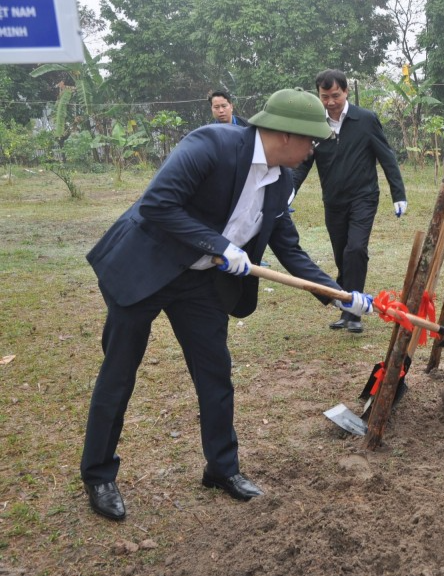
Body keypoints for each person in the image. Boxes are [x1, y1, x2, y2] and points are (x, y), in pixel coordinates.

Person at [80, 88, 375, 522]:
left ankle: (221, 469)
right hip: (146, 267)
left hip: (200, 284)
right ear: (285, 135)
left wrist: (342, 295)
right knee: (119, 373)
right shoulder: (211, 145)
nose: (313, 150)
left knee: (215, 376)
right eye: (311, 141)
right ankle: (98, 474)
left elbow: (289, 252)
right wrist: (219, 244)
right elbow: (158, 204)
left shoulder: (282, 181)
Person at [293, 69, 407, 334]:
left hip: (363, 197)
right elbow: (302, 163)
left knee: (355, 249)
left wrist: (398, 194)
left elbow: (386, 157)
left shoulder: (365, 120)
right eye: (325, 96)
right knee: (342, 255)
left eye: (336, 95)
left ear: (345, 91)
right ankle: (347, 305)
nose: (331, 101)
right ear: (318, 95)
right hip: (333, 200)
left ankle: (354, 312)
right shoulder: (315, 125)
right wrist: (290, 190)